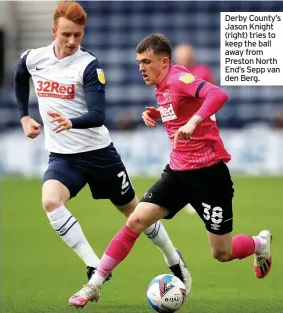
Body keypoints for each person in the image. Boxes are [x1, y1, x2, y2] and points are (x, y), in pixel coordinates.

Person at [69, 34, 273, 308]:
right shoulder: (162, 85)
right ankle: (95, 284)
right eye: (138, 62)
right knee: (135, 221)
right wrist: (158, 113)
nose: (141, 67)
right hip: (177, 174)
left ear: (164, 62)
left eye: (146, 61)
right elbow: (180, 108)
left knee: (222, 253)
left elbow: (218, 94)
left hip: (210, 177)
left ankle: (259, 243)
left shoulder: (178, 79)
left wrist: (194, 123)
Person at [14, 3, 191, 290]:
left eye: (78, 35)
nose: (72, 41)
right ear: (53, 31)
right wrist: (24, 115)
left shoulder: (88, 65)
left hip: (99, 155)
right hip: (63, 156)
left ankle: (172, 256)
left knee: (136, 213)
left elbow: (98, 115)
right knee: (50, 201)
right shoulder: (34, 58)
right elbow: (20, 75)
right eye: (67, 35)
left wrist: (71, 122)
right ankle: (94, 264)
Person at [174, 42, 216, 215]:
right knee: (182, 161)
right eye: (181, 55)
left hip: (201, 123)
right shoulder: (172, 74)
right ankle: (189, 196)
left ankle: (204, 196)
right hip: (179, 125)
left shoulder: (203, 71)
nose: (185, 58)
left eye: (187, 54)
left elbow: (213, 95)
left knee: (205, 162)